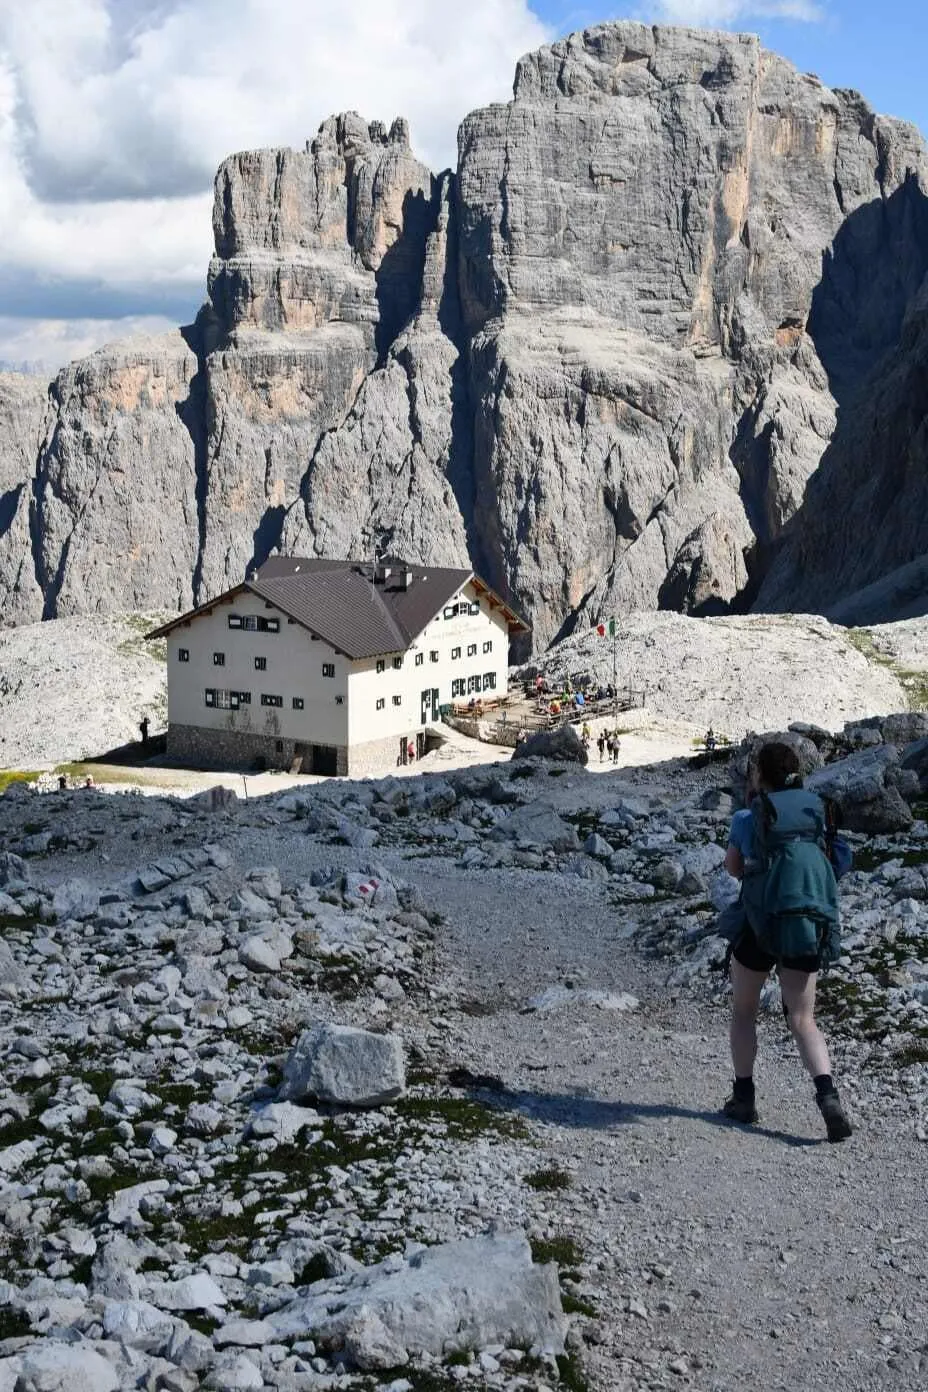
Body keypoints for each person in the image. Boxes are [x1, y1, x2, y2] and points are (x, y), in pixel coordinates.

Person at [722, 741, 851, 1142]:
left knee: (744, 1011)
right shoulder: (817, 808)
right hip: (805, 923)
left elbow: (733, 868)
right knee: (802, 1018)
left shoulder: (748, 817)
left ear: (760, 774)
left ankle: (744, 1097)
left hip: (760, 923)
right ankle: (827, 1095)